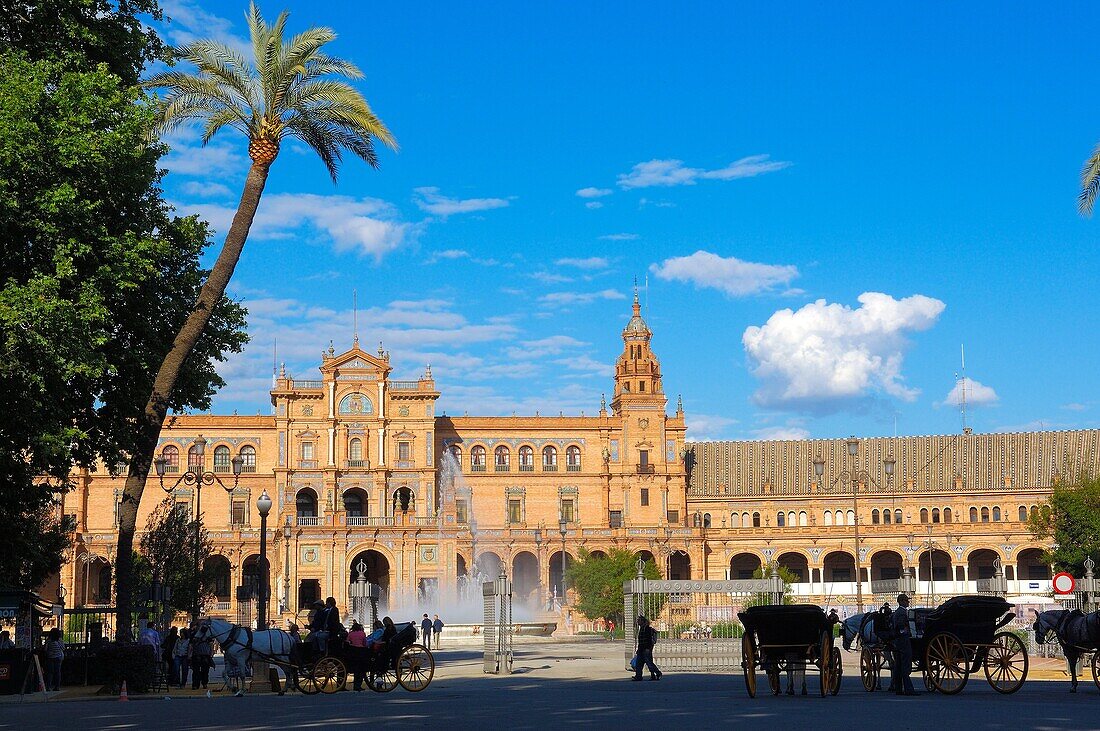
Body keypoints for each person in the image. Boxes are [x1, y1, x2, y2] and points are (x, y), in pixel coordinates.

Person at [891, 593, 919, 696]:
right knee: (905, 666)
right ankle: (909, 689)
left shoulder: (898, 612)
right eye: (907, 601)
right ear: (902, 601)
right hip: (903, 641)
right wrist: (907, 632)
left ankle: (898, 688)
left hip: (898, 642)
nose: (908, 602)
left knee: (898, 666)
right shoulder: (902, 612)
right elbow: (901, 626)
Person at [632, 616, 662, 681]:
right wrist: (638, 649)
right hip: (641, 649)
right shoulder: (641, 629)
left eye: (639, 620)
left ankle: (658, 673)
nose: (637, 622)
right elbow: (641, 640)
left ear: (643, 621)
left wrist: (648, 648)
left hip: (646, 649)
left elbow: (648, 640)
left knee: (649, 663)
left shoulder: (647, 629)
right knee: (639, 663)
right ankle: (638, 676)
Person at [189, 624, 214, 690]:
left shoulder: (205, 635)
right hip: (200, 654)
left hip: (202, 654)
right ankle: (199, 684)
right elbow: (191, 645)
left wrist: (211, 652)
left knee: (202, 671)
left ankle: (200, 684)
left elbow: (211, 644)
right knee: (199, 671)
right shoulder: (195, 634)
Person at [346, 621, 367, 691]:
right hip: (361, 651)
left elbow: (347, 642)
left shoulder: (350, 634)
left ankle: (355, 685)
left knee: (356, 669)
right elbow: (365, 643)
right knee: (361, 669)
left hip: (353, 651)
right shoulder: (362, 633)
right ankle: (359, 685)